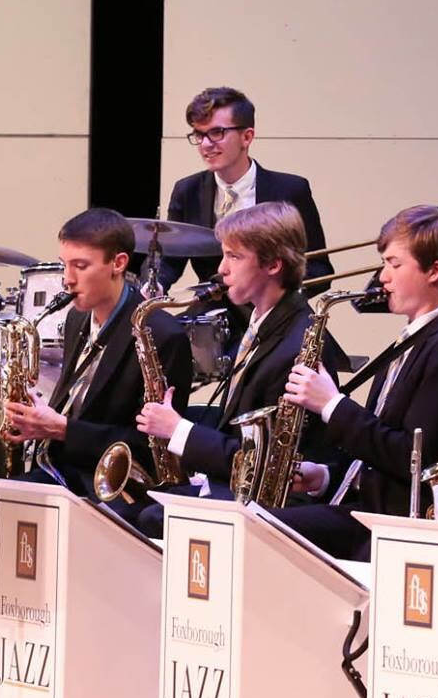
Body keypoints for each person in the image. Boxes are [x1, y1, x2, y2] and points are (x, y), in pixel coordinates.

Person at [273, 205, 438, 560]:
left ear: (434, 270)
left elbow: (412, 459)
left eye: (394, 264)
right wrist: (324, 476)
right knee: (260, 523)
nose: (382, 277)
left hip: (400, 519)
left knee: (268, 534)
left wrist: (331, 405)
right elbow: (377, 444)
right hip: (367, 507)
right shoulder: (415, 338)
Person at [132, 202, 336, 534]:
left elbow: (263, 462)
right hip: (240, 489)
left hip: (275, 505)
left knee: (146, 518)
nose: (221, 270)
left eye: (234, 257)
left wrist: (178, 430)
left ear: (273, 264)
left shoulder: (295, 346)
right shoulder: (262, 325)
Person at [3, 208, 194, 501]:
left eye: (80, 266)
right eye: (63, 265)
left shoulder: (162, 336)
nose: (67, 279)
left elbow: (152, 450)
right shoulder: (76, 320)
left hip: (117, 489)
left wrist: (63, 429)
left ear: (118, 263)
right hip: (65, 468)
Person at [159, 86, 331, 293]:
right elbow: (169, 260)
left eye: (216, 132)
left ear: (247, 137)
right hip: (213, 311)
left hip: (274, 314)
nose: (205, 144)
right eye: (199, 134)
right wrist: (156, 284)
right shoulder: (187, 191)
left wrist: (276, 297)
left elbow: (319, 269)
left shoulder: (291, 190)